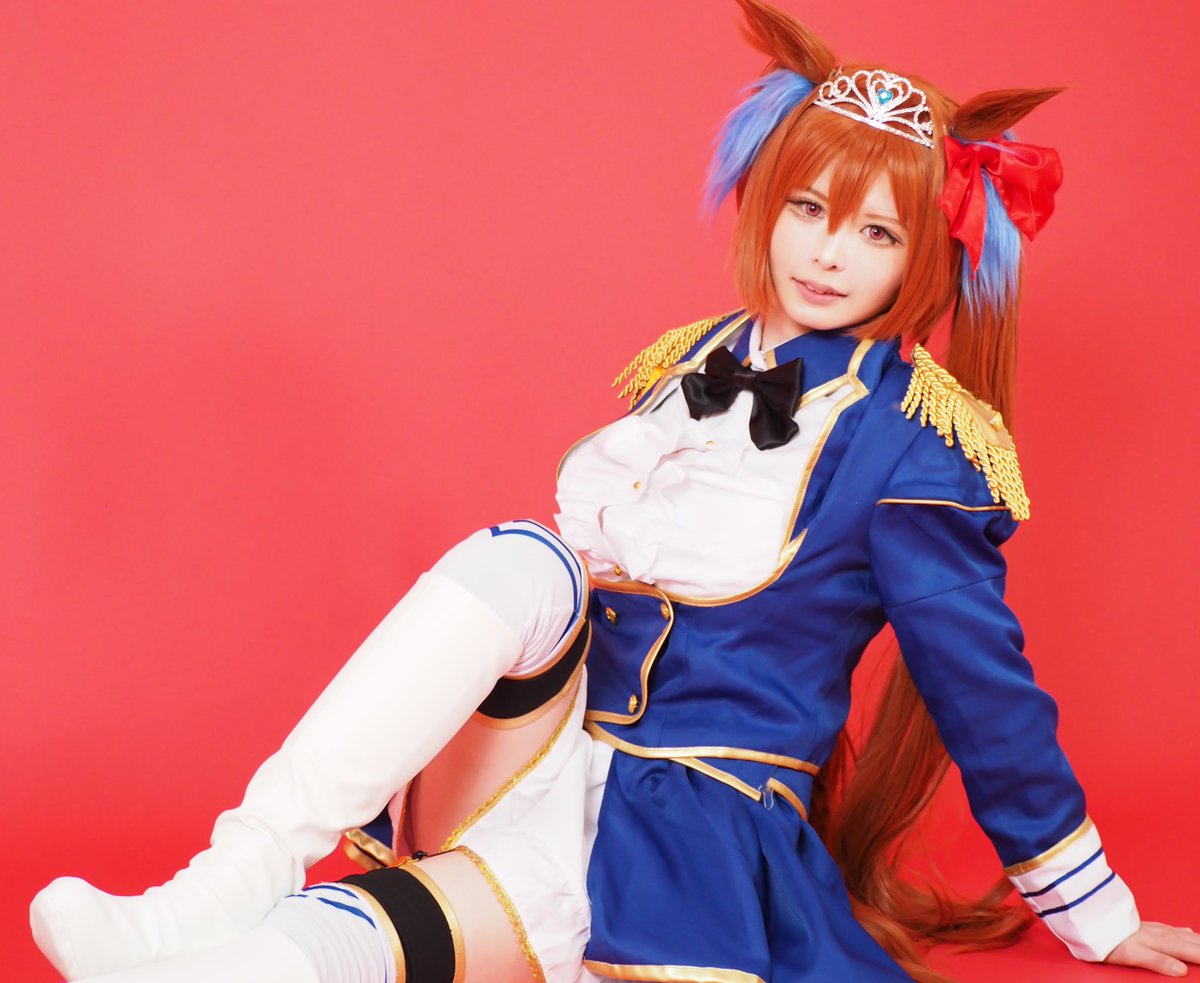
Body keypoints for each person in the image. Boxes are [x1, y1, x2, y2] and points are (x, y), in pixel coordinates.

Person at [27, 2, 1200, 981]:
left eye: (875, 232)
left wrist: (1092, 908)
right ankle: (224, 878)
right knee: (527, 554)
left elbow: (983, 689)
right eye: (807, 208)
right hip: (532, 741)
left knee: (385, 929)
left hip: (685, 819)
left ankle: (191, 958)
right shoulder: (690, 361)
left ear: (924, 255)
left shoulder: (915, 446)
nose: (827, 253)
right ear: (765, 198)